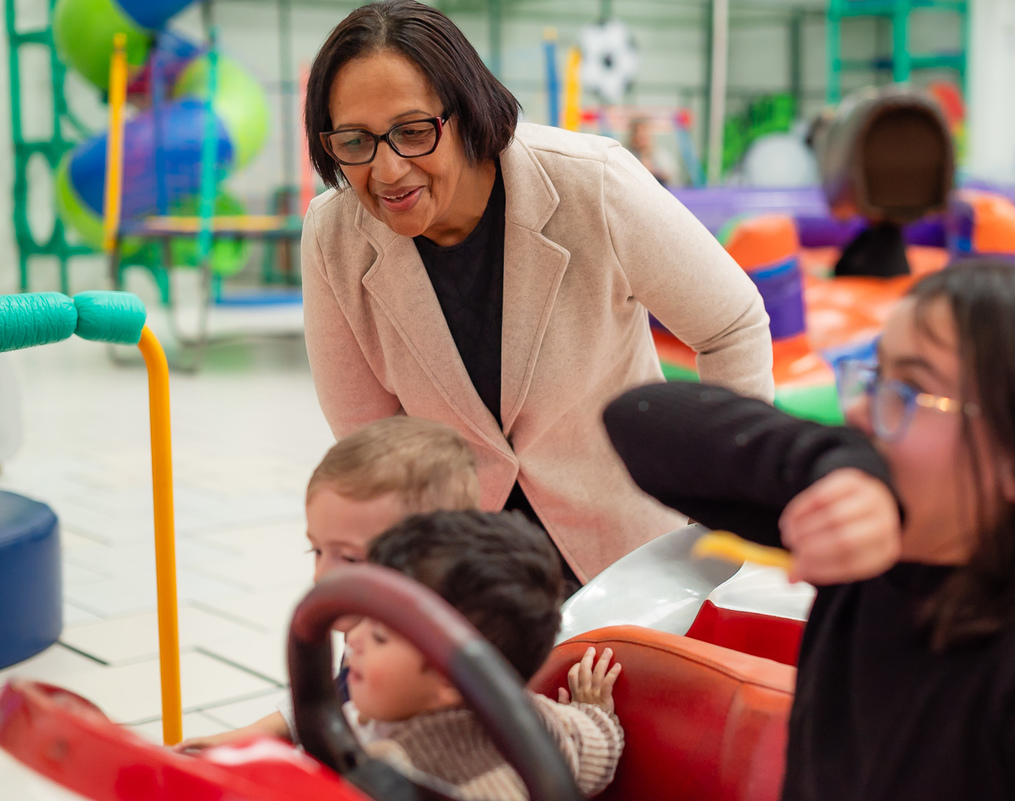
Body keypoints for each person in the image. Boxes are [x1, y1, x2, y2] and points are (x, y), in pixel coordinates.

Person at [603, 262, 1015, 799]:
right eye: (873, 376)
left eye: (908, 390)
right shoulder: (874, 544)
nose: (860, 412)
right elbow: (641, 420)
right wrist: (835, 464)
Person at [301, 0, 773, 587]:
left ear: (466, 111)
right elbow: (368, 436)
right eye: (355, 142)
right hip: (461, 558)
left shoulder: (592, 184)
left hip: (619, 549)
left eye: (414, 132)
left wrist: (730, 497)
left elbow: (731, 323)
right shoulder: (333, 234)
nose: (389, 169)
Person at [175, 415, 481, 751]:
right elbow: (332, 699)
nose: (321, 574)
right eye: (316, 550)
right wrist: (245, 736)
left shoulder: (436, 661)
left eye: (349, 558)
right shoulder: (362, 629)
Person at [342, 510, 623, 799]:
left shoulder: (479, 786)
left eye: (379, 636)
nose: (352, 639)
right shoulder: (394, 698)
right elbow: (590, 740)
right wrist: (594, 712)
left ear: (451, 679)